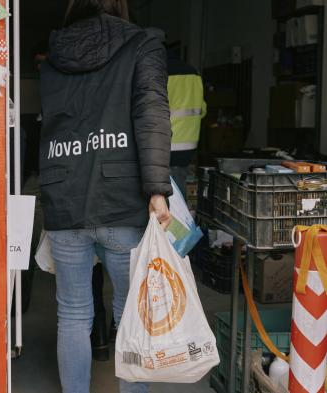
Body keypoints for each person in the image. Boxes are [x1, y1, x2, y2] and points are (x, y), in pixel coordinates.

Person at [39, 0, 173, 392]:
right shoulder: (142, 44)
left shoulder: (53, 58)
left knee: (73, 315)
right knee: (132, 313)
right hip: (121, 198)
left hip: (64, 193)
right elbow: (151, 113)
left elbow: (53, 127)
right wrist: (157, 190)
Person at [168, 50, 206, 198]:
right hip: (188, 144)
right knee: (178, 183)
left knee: (166, 190)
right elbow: (202, 110)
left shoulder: (159, 72)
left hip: (164, 143)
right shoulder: (194, 74)